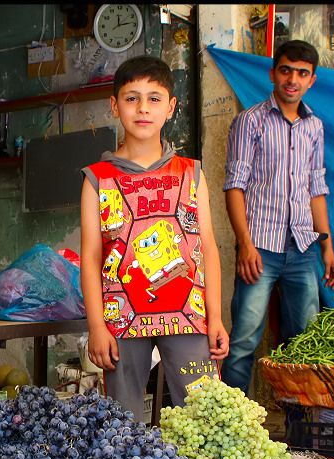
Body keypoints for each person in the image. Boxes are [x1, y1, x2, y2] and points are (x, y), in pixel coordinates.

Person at [79, 55, 229, 421]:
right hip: (122, 319)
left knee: (204, 416)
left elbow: (207, 245)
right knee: (123, 421)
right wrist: (97, 327)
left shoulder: (191, 172)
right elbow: (91, 257)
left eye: (154, 98)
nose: (143, 108)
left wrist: (216, 318)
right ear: (114, 106)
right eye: (131, 98)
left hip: (189, 317)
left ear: (171, 107)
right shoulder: (97, 178)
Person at [221, 39, 334, 396]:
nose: (293, 79)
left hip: (302, 249)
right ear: (273, 73)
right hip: (260, 249)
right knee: (243, 340)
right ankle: (230, 423)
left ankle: (298, 428)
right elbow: (234, 186)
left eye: (302, 73)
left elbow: (316, 190)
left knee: (302, 345)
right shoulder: (250, 121)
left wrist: (327, 248)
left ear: (312, 80)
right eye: (286, 70)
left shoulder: (314, 127)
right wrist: (245, 244)